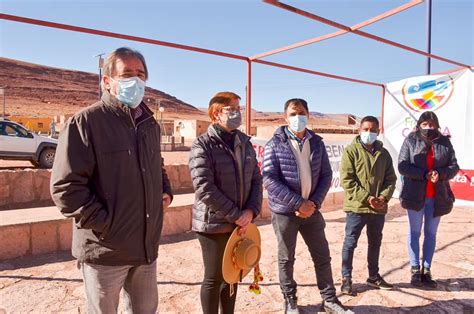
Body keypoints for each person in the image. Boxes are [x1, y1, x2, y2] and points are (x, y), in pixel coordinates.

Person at [50, 47, 173, 313]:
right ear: (107, 81)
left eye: (141, 74)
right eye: (127, 74)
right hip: (105, 251)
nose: (136, 80)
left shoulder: (149, 124)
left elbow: (156, 165)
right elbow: (66, 188)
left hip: (145, 248)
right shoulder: (85, 123)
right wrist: (107, 225)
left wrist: (165, 192)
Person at [263, 98, 350, 314]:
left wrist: (313, 204)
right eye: (292, 114)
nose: (297, 118)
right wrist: (298, 203)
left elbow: (326, 175)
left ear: (308, 115)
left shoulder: (317, 143)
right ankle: (290, 301)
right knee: (286, 258)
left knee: (322, 255)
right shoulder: (274, 144)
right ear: (285, 117)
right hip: (285, 212)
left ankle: (329, 300)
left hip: (312, 211)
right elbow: (269, 179)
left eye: (301, 113)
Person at [189, 91, 263, 314]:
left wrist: (250, 211)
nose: (236, 113)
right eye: (231, 109)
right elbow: (204, 186)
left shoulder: (244, 142)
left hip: (239, 222)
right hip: (213, 224)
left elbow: (256, 179)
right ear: (215, 114)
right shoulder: (203, 145)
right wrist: (235, 214)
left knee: (232, 276)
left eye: (238, 108)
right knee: (214, 278)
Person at [398, 111, 459, 288]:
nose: (428, 128)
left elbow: (454, 166)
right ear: (419, 125)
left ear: (437, 126)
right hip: (415, 196)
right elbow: (402, 165)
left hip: (437, 197)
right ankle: (415, 269)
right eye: (424, 125)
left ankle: (427, 269)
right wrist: (424, 174)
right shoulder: (410, 140)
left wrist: (440, 174)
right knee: (414, 233)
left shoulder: (445, 142)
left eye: (431, 125)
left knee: (431, 234)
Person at [339, 116, 397, 295]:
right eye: (366, 129)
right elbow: (347, 180)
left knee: (375, 242)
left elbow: (391, 179)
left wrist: (383, 197)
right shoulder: (351, 151)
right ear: (359, 130)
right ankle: (346, 278)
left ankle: (373, 276)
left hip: (378, 208)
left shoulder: (384, 154)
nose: (369, 133)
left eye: (373, 130)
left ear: (378, 132)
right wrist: (367, 198)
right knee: (350, 243)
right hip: (357, 207)